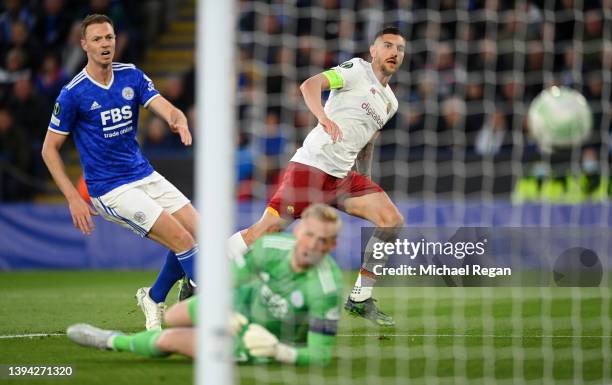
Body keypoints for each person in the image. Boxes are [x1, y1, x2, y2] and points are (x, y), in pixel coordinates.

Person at [227, 26, 406, 326]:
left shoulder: (391, 102)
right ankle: (198, 274)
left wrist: (367, 180)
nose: (394, 53)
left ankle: (361, 297)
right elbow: (310, 85)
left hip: (342, 178)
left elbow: (367, 143)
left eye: (399, 49)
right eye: (387, 46)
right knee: (264, 232)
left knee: (393, 221)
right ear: (373, 51)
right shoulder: (355, 70)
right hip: (312, 168)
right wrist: (322, 118)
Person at [41, 14, 196, 331]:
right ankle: (211, 306)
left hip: (145, 174)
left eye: (109, 37)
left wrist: (176, 117)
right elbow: (48, 149)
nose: (104, 44)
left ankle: (153, 297)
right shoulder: (73, 94)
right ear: (84, 45)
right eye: (97, 39)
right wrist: (73, 198)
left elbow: (162, 104)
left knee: (197, 235)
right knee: (181, 240)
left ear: (116, 40)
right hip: (110, 188)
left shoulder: (131, 76)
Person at [67, 203, 344, 366]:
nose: (313, 245)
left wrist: (277, 350)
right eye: (309, 234)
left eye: (322, 240)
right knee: (175, 315)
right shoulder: (271, 246)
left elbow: (320, 354)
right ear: (297, 231)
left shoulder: (326, 288)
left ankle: (112, 340)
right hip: (239, 306)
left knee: (170, 339)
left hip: (263, 338)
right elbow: (230, 279)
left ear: (333, 245)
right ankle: (178, 298)